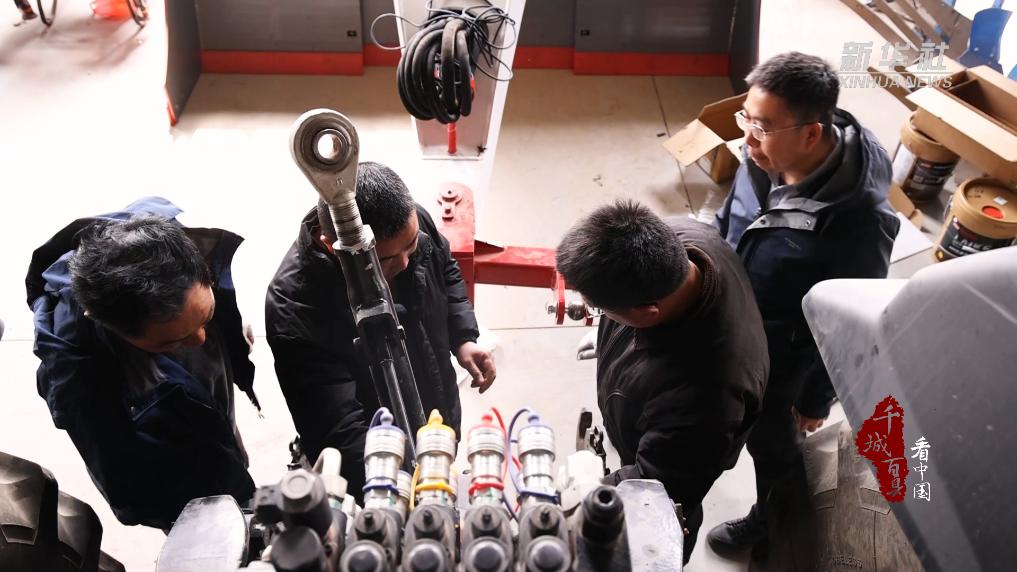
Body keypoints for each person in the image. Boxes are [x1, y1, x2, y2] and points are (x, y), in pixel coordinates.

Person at [708, 52, 900, 560]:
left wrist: (815, 399)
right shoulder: (765, 156)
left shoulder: (858, 227)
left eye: (762, 127)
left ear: (812, 134)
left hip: (782, 360)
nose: (747, 139)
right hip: (744, 315)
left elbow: (849, 323)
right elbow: (732, 216)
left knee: (772, 446)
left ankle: (773, 522)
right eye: (746, 118)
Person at [555, 199, 769, 564]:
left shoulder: (705, 401)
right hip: (648, 409)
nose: (599, 315)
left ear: (648, 312)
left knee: (656, 541)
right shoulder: (684, 236)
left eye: (602, 310)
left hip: (672, 485)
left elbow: (656, 486)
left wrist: (590, 493)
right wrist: (614, 337)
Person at [27, 197, 258, 530]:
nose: (200, 340)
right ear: (114, 329)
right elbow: (133, 495)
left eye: (205, 317)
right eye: (173, 341)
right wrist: (213, 510)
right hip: (192, 496)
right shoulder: (82, 390)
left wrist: (225, 327)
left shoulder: (159, 246)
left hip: (202, 415)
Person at [266, 162, 495, 497]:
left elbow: (445, 268)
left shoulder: (409, 222)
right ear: (333, 247)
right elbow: (340, 432)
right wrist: (399, 486)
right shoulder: (295, 307)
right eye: (386, 260)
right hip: (377, 469)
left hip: (435, 423)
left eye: (412, 246)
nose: (405, 263)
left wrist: (463, 337)